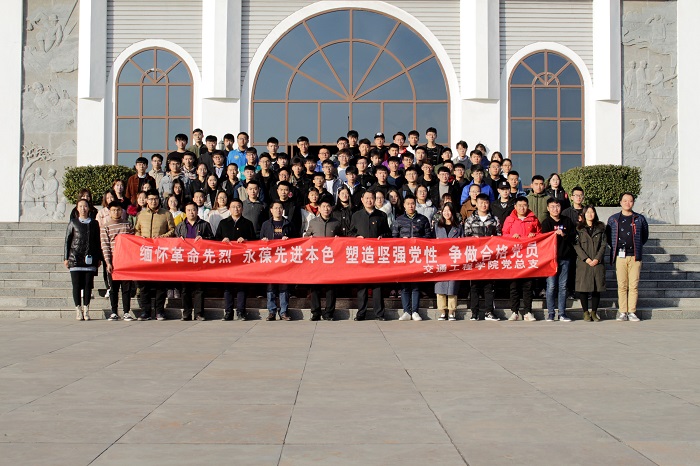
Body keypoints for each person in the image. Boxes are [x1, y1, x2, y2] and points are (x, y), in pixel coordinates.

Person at [606, 193, 649, 322]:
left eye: (630, 201)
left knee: (633, 285)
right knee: (622, 285)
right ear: (620, 202)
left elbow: (644, 236)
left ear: (633, 203)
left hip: (635, 256)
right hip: (620, 257)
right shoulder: (613, 219)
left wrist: (637, 246)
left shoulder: (639, 219)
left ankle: (632, 312)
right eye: (625, 201)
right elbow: (609, 237)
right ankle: (623, 311)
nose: (627, 203)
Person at [134, 190, 175, 320]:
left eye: (155, 199)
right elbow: (136, 230)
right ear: (146, 200)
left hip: (160, 253)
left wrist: (162, 238)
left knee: (160, 285)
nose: (153, 201)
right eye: (151, 199)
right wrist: (141, 237)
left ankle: (160, 311)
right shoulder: (141, 215)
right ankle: (145, 312)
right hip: (145, 253)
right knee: (143, 285)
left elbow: (172, 230)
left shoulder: (166, 214)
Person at [350, 190, 391, 321]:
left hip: (377, 256)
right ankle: (361, 313)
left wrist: (382, 237)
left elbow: (388, 233)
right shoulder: (356, 215)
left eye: (371, 198)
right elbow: (350, 233)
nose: (369, 200)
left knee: (377, 286)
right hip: (362, 256)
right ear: (362, 200)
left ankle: (379, 313)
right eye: (366, 198)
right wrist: (357, 237)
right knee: (362, 286)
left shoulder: (381, 215)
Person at [392, 195, 433, 321]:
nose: (411, 206)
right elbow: (393, 238)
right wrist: (401, 240)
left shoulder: (423, 219)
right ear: (404, 205)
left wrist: (419, 240)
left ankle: (415, 311)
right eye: (408, 204)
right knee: (404, 285)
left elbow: (428, 236)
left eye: (412, 204)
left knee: (415, 285)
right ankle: (406, 311)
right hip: (403, 256)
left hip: (417, 256)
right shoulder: (399, 220)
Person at [216, 199, 257, 320]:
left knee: (241, 286)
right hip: (227, 260)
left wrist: (246, 241)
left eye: (238, 206)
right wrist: (222, 241)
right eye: (233, 207)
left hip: (242, 261)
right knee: (227, 287)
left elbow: (254, 241)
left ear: (242, 209)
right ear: (229, 208)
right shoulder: (223, 223)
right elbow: (216, 239)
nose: (236, 209)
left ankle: (241, 312)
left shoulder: (247, 223)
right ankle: (228, 312)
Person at [502, 197, 541, 322]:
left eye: (524, 205)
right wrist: (511, 236)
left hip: (528, 257)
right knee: (514, 286)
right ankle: (514, 311)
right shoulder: (510, 219)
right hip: (515, 257)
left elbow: (541, 235)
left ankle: (528, 311)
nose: (522, 208)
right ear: (515, 207)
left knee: (528, 286)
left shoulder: (533, 219)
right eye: (519, 205)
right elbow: (504, 235)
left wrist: (534, 235)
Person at [463, 193, 501, 321]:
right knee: (474, 285)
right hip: (475, 257)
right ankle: (474, 312)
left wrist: (494, 239)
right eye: (481, 203)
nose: (484, 205)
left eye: (486, 203)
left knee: (489, 286)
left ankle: (489, 311)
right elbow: (465, 238)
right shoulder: (470, 220)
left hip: (490, 257)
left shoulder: (494, 220)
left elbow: (500, 237)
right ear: (477, 204)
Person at [305, 198, 343, 321]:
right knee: (315, 287)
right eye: (323, 206)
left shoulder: (336, 223)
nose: (326, 209)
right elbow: (306, 237)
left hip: (331, 260)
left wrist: (338, 239)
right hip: (316, 260)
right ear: (319, 209)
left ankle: (329, 313)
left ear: (331, 208)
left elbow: (343, 239)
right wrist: (309, 239)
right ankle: (315, 312)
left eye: (328, 206)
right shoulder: (313, 222)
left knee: (331, 288)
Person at [64, 199, 102, 321]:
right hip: (75, 257)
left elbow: (97, 241)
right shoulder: (73, 223)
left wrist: (99, 257)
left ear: (89, 208)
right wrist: (66, 258)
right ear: (77, 208)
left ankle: (86, 309)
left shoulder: (94, 223)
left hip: (89, 258)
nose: (83, 209)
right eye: (80, 206)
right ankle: (78, 309)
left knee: (87, 286)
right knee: (76, 285)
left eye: (85, 206)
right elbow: (67, 241)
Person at [174, 202, 214, 321]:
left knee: (199, 289)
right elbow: (173, 242)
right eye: (189, 210)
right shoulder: (180, 226)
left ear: (197, 211)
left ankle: (199, 313)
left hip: (199, 261)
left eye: (193, 210)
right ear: (185, 212)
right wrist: (178, 240)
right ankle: (186, 313)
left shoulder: (204, 225)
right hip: (185, 261)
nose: (191, 212)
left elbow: (213, 240)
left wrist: (204, 239)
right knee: (185, 289)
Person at [260, 201, 295, 321]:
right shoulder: (266, 224)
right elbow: (260, 239)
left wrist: (289, 240)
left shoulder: (288, 223)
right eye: (275, 208)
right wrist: (264, 240)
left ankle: (283, 311)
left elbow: (296, 241)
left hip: (284, 259)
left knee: (284, 286)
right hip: (270, 259)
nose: (278, 210)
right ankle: (272, 311)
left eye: (280, 208)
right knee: (270, 286)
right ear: (271, 210)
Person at [541, 198, 575, 322]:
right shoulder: (546, 223)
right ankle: (551, 313)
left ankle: (562, 313)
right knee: (551, 286)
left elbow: (573, 237)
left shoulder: (567, 221)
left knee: (563, 286)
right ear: (548, 208)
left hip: (565, 257)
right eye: (552, 207)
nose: (555, 209)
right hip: (551, 259)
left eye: (557, 206)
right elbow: (543, 240)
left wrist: (564, 234)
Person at [100, 201, 134, 321]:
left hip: (126, 261)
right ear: (109, 212)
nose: (116, 212)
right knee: (113, 288)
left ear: (122, 211)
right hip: (113, 262)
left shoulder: (128, 224)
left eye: (118, 210)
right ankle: (114, 312)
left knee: (126, 288)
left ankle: (126, 312)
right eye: (113, 210)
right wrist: (108, 262)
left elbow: (133, 242)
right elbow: (105, 245)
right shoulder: (105, 227)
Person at [574, 206, 607, 322]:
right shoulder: (579, 228)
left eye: (592, 212)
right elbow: (576, 245)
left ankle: (594, 312)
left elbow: (603, 245)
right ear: (583, 214)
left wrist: (597, 258)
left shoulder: (601, 228)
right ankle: (585, 312)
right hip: (584, 263)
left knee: (596, 288)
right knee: (583, 288)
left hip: (597, 262)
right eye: (587, 212)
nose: (590, 214)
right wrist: (586, 259)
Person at [434, 203, 463, 321]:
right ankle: (442, 311)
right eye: (445, 210)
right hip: (440, 259)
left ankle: (451, 311)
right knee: (440, 285)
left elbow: (464, 242)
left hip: (453, 259)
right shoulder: (437, 226)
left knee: (452, 286)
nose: (447, 213)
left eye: (449, 210)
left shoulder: (458, 227)